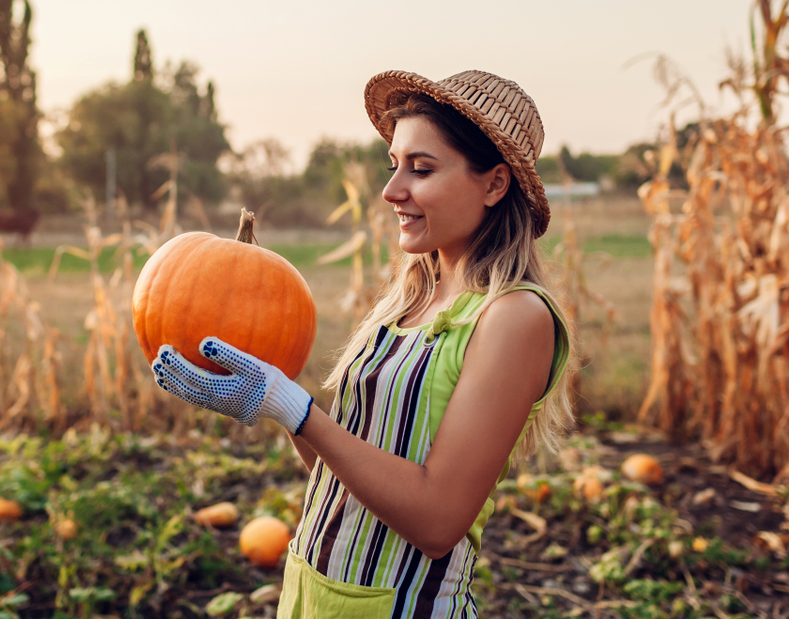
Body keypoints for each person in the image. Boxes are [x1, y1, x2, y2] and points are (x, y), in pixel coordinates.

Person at [151, 69, 574, 618]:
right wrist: (274, 402)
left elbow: (438, 522)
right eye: (394, 164)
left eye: (421, 169)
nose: (392, 190)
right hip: (312, 596)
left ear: (494, 184)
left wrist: (296, 409)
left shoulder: (514, 317)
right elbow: (346, 473)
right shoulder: (405, 303)